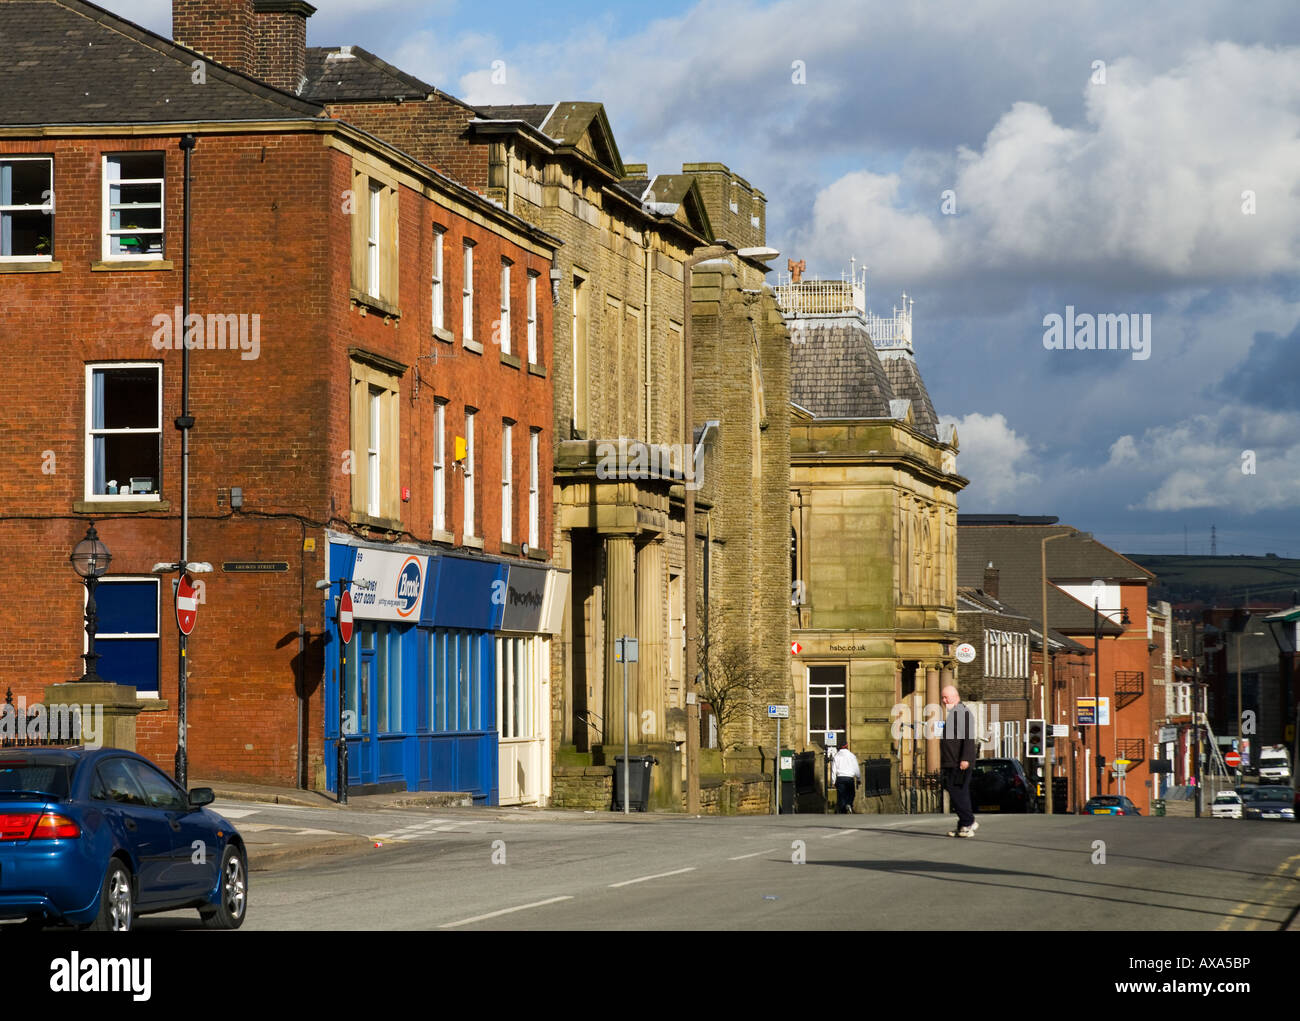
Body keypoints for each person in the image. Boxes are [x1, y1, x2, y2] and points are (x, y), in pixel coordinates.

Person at [940, 685, 978, 837]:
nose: (943, 700)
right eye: (942, 697)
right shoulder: (955, 713)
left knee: (957, 792)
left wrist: (965, 759)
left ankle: (968, 822)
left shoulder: (962, 712)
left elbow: (968, 737)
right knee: (959, 792)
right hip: (952, 761)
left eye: (946, 697)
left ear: (955, 696)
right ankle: (963, 825)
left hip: (959, 762)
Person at [830, 741, 860, 814]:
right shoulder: (852, 755)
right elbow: (856, 768)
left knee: (841, 794)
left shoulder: (837, 756)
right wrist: (859, 778)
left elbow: (833, 770)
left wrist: (833, 781)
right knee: (851, 793)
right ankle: (849, 804)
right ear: (847, 747)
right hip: (850, 777)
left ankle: (843, 809)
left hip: (840, 778)